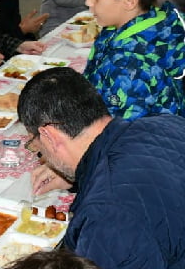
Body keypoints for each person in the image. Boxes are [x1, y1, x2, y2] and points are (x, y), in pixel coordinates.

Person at [21, 67, 185, 269]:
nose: (42, 155)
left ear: (49, 136)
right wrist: (80, 177)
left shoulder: (105, 215)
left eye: (36, 146)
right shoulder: (166, 122)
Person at [80, 0, 185, 119]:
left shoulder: (128, 66)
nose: (87, 1)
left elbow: (117, 134)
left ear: (129, 1)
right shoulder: (159, 22)